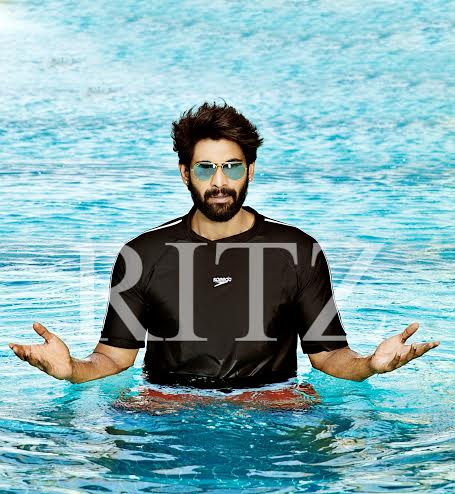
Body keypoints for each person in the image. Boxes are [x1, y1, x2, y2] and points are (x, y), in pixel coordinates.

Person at [9, 101, 440, 398]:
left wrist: (371, 365)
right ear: (185, 173)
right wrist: (72, 371)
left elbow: (329, 356)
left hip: (269, 406)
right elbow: (113, 358)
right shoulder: (143, 254)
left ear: (250, 169)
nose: (219, 182)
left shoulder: (297, 250)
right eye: (206, 168)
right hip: (170, 408)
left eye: (232, 167)